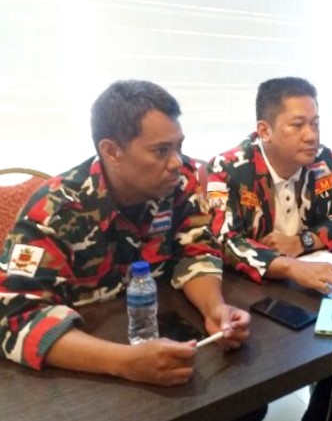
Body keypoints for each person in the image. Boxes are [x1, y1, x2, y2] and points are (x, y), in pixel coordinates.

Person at [0, 81, 252, 389]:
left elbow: (196, 251)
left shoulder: (180, 183)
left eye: (179, 147)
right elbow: (14, 319)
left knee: (245, 396)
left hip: (160, 335)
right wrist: (124, 363)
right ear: (111, 151)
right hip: (81, 369)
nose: (177, 163)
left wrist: (215, 309)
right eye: (161, 150)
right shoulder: (54, 211)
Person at [207, 77, 332, 299]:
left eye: (315, 124)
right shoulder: (226, 168)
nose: (311, 136)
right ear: (264, 131)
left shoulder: (321, 159)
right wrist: (289, 266)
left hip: (314, 285)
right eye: (298, 125)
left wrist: (302, 242)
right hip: (254, 293)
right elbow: (224, 241)